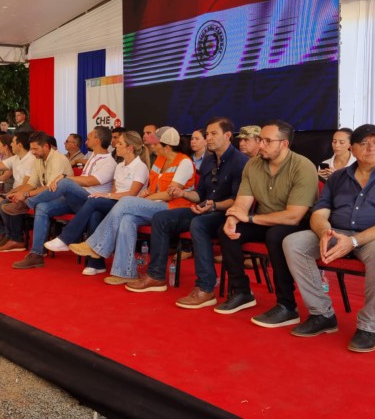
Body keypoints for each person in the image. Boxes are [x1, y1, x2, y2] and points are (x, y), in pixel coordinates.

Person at [282, 124, 375, 352]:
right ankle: (322, 314)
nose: (371, 147)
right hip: (340, 233)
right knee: (294, 242)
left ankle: (369, 326)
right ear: (353, 149)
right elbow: (320, 212)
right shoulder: (338, 177)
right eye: (364, 143)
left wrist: (355, 241)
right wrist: (324, 232)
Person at [126, 118, 248, 309]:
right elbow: (199, 193)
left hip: (226, 213)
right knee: (161, 218)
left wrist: (213, 205)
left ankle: (205, 288)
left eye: (213, 134)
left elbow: (238, 199)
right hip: (203, 208)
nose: (209, 138)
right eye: (207, 134)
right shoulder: (209, 160)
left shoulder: (240, 161)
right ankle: (156, 276)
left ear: (227, 136)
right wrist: (182, 193)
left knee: (198, 225)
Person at [214, 120, 318, 327]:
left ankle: (287, 306)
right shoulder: (253, 165)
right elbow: (242, 203)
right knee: (226, 231)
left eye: (267, 141)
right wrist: (232, 218)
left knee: (276, 235)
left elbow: (294, 216)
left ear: (284, 144)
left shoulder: (303, 166)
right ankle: (242, 292)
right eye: (260, 140)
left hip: (298, 224)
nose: (261, 145)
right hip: (264, 220)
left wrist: (250, 218)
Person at [69, 126, 197, 285]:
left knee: (126, 201)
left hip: (174, 209)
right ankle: (126, 272)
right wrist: (146, 194)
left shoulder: (184, 162)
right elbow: (153, 188)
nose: (151, 146)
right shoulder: (160, 160)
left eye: (155, 144)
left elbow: (169, 194)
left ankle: (97, 246)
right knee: (127, 219)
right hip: (155, 205)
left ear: (167, 146)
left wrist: (146, 198)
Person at [3, 126, 117, 269]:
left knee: (64, 182)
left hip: (91, 201)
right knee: (42, 207)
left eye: (89, 138)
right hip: (79, 199)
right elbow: (33, 182)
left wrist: (66, 178)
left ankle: (27, 204)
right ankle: (36, 254)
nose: (85, 141)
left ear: (97, 140)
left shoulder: (109, 162)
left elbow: (90, 181)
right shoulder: (93, 157)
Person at [44, 131, 150, 275]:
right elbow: (114, 189)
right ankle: (96, 264)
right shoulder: (120, 166)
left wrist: (107, 195)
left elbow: (132, 194)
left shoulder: (140, 167)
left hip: (129, 206)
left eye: (120, 143)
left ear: (129, 148)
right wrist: (108, 196)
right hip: (115, 202)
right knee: (95, 214)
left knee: (94, 200)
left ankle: (66, 238)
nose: (116, 146)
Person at [0, 131, 73, 252]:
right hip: (47, 197)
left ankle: (33, 247)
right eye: (31, 149)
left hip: (64, 198)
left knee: (40, 205)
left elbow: (50, 187)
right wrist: (18, 193)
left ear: (46, 146)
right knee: (14, 201)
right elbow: (32, 183)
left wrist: (25, 195)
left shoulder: (58, 159)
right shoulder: (38, 159)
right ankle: (20, 241)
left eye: (35, 149)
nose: (32, 152)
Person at [0, 131, 35, 247]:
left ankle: (16, 238)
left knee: (3, 204)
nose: (11, 145)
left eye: (13, 142)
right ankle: (4, 233)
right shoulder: (16, 158)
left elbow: (27, 185)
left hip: (26, 193)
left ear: (20, 145)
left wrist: (8, 195)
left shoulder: (31, 159)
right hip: (14, 192)